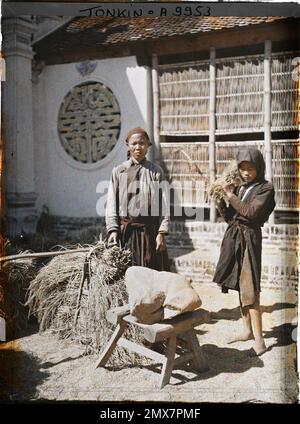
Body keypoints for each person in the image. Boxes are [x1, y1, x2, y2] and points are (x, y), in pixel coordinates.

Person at [213, 147, 276, 356]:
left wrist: (230, 195)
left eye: (251, 168)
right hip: (234, 238)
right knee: (240, 286)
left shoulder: (265, 188)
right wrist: (220, 198)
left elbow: (250, 212)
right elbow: (231, 217)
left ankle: (260, 342)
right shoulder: (241, 188)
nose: (246, 173)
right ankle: (247, 330)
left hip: (250, 239)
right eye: (243, 169)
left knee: (250, 289)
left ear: (259, 167)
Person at [106, 127, 170, 271]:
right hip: (126, 234)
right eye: (134, 143)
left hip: (150, 233)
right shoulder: (118, 171)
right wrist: (113, 230)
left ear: (148, 146)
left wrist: (161, 233)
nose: (138, 147)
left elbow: (164, 205)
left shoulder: (156, 172)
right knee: (125, 277)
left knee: (152, 276)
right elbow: (111, 203)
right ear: (128, 145)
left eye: (142, 143)